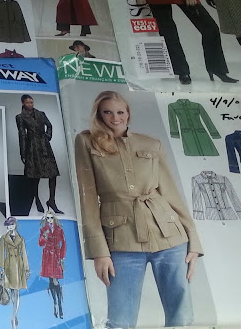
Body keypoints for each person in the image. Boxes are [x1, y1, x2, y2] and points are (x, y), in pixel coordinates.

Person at [74, 91, 203, 328]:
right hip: (121, 240)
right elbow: (88, 200)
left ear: (128, 114)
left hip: (170, 237)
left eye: (120, 112)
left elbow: (171, 193)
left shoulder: (151, 144)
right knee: (120, 321)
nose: (115, 118)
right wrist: (99, 251)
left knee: (182, 317)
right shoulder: (86, 142)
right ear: (99, 115)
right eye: (107, 112)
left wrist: (193, 241)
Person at [15, 95, 62, 214]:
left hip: (44, 145)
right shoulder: (20, 117)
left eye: (32, 102)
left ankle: (52, 200)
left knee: (53, 174)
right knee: (35, 176)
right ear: (23, 103)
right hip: (32, 147)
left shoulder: (41, 114)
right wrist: (23, 153)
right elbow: (22, 135)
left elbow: (49, 125)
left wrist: (47, 136)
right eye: (28, 102)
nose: (30, 104)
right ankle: (36, 199)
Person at [0, 217, 29, 329]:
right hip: (9, 265)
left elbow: (24, 254)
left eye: (12, 224)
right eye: (8, 225)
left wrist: (26, 269)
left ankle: (13, 316)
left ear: (15, 225)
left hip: (18, 266)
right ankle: (14, 313)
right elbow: (1, 253)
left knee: (16, 291)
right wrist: (2, 268)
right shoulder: (4, 238)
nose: (10, 227)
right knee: (12, 291)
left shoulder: (21, 239)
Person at [39, 210, 65, 319]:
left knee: (55, 280)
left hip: (56, 256)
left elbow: (63, 243)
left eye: (51, 218)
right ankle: (55, 304)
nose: (49, 220)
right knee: (51, 280)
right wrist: (44, 236)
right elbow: (40, 243)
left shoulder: (59, 229)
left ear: (54, 218)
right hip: (47, 256)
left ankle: (59, 304)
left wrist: (62, 257)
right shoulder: (43, 229)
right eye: (47, 218)